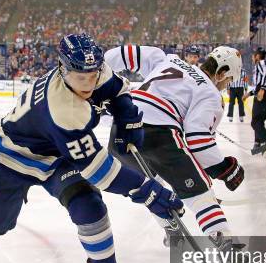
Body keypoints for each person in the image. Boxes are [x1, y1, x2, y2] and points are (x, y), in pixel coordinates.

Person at [0, 34, 183, 263]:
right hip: (10, 161)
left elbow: (118, 91)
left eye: (92, 75)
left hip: (57, 156)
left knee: (89, 206)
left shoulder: (94, 70)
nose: (88, 83)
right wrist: (147, 190)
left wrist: (128, 120)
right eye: (79, 77)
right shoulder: (63, 109)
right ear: (62, 68)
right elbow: (100, 171)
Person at [105, 44, 245, 248]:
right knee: (199, 192)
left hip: (121, 129)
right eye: (229, 80)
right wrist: (222, 169)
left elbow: (121, 54)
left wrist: (98, 78)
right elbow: (198, 139)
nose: (226, 86)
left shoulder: (169, 59)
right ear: (222, 73)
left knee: (148, 188)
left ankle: (169, 226)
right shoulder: (210, 93)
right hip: (158, 135)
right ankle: (223, 239)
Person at [243, 47, 266, 155]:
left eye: (253, 55)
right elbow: (259, 84)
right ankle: (258, 143)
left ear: (257, 56)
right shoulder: (261, 65)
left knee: (255, 121)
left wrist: (262, 89)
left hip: (265, 94)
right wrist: (249, 94)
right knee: (258, 121)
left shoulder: (262, 63)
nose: (252, 58)